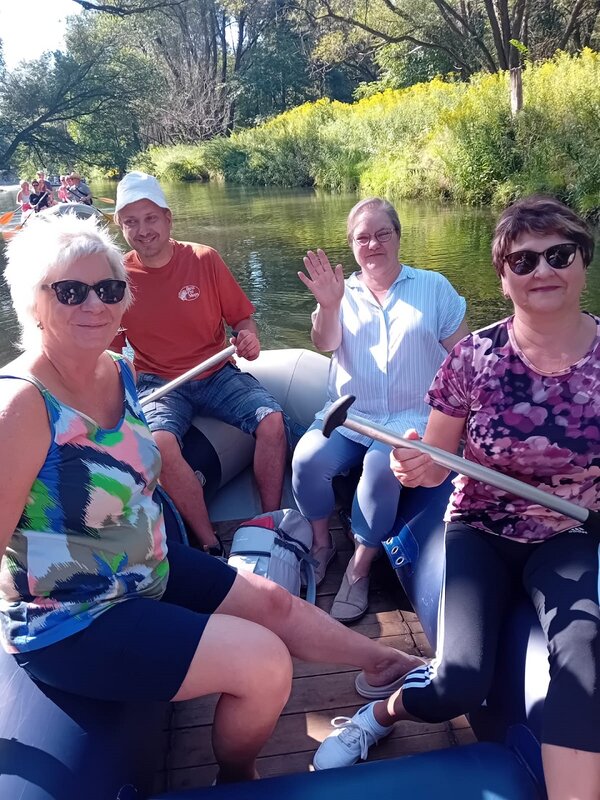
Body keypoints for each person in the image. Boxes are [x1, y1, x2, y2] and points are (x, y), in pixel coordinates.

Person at [0, 212, 425, 786]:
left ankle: (384, 664)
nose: (94, 305)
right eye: (70, 291)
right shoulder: (21, 405)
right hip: (74, 617)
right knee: (264, 661)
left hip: (146, 569)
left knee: (274, 603)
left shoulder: (116, 371)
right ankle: (237, 778)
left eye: (108, 289)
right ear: (33, 301)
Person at [313, 196, 600, 799]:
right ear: (503, 277)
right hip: (481, 528)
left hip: (571, 534)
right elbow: (433, 462)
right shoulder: (475, 357)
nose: (542, 269)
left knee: (583, 654)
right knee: (461, 683)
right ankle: (382, 714)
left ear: (583, 260)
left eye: (558, 254)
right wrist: (409, 461)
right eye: (523, 261)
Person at [292, 197, 468, 621]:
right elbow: (324, 343)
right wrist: (329, 304)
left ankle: (360, 567)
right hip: (350, 417)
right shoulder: (340, 292)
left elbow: (464, 357)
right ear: (352, 245)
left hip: (413, 420)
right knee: (306, 460)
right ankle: (322, 543)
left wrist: (464, 424)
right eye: (362, 237)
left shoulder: (434, 287)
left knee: (380, 469)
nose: (373, 245)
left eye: (381, 234)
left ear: (398, 237)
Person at [112, 171, 288, 552]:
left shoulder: (204, 259)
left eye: (150, 218)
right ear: (119, 225)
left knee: (272, 422)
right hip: (158, 383)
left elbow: (242, 319)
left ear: (168, 218)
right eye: (131, 222)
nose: (143, 230)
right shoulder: (117, 279)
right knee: (159, 443)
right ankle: (209, 543)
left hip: (216, 371)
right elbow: (111, 353)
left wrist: (249, 337)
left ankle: (269, 524)